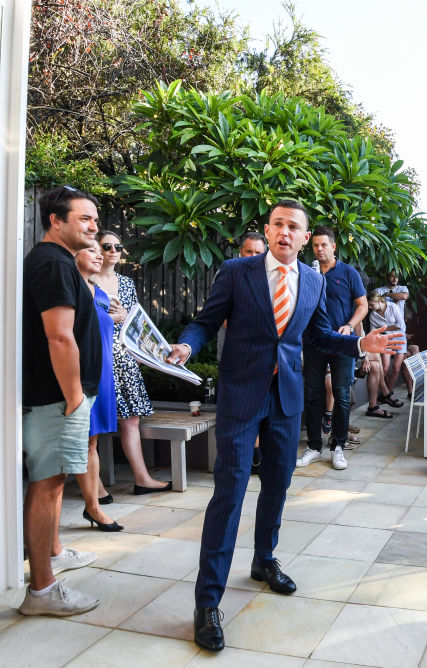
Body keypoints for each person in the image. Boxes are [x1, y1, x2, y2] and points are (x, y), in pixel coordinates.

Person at [165, 199, 402, 652]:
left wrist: (357, 343)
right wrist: (187, 346)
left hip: (286, 397)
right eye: (278, 224)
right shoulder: (238, 271)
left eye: (294, 226)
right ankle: (207, 601)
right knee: (230, 492)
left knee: (277, 484)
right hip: (241, 395)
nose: (285, 232)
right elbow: (205, 321)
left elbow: (316, 335)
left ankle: (264, 561)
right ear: (268, 230)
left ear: (304, 236)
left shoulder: (313, 280)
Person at [20, 185, 102, 616]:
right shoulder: (51, 264)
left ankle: (51, 555)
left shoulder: (59, 263)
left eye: (94, 218)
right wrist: (73, 396)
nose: (93, 225)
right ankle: (41, 591)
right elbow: (58, 335)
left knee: (53, 483)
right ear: (56, 220)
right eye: (84, 218)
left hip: (62, 399)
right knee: (48, 485)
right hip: (57, 399)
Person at [93, 231, 171, 495]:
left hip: (125, 358)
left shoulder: (126, 283)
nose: (113, 250)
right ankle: (95, 487)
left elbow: (136, 320)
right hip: (100, 355)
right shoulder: (86, 281)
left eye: (118, 246)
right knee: (94, 425)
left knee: (132, 419)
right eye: (107, 246)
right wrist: (112, 318)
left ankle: (142, 478)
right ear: (97, 249)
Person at [296, 227, 368, 471]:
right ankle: (314, 447)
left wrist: (350, 326)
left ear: (333, 246)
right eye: (315, 245)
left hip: (341, 342)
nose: (319, 249)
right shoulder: (306, 273)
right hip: (314, 342)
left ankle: (338, 446)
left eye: (324, 245)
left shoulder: (348, 273)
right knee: (312, 394)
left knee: (341, 393)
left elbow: (363, 306)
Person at [75, 240, 123, 532]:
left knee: (92, 441)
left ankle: (93, 503)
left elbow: (105, 323)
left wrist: (115, 317)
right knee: (83, 441)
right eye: (91, 249)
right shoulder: (72, 290)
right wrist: (108, 317)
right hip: (80, 373)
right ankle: (93, 506)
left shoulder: (100, 291)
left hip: (103, 372)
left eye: (98, 250)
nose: (97, 255)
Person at [236, 232, 267, 474]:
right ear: (240, 252)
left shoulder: (270, 278)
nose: (254, 256)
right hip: (238, 358)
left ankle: (257, 458)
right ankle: (249, 459)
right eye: (250, 251)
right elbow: (223, 318)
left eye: (259, 252)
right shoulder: (230, 274)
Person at [368, 290, 410, 409]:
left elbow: (401, 325)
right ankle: (378, 396)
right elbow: (373, 333)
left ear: (378, 301)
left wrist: (383, 329)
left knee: (396, 368)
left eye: (371, 304)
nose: (370, 307)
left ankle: (387, 395)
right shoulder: (373, 315)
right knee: (385, 367)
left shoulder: (393, 306)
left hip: (400, 336)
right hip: (385, 339)